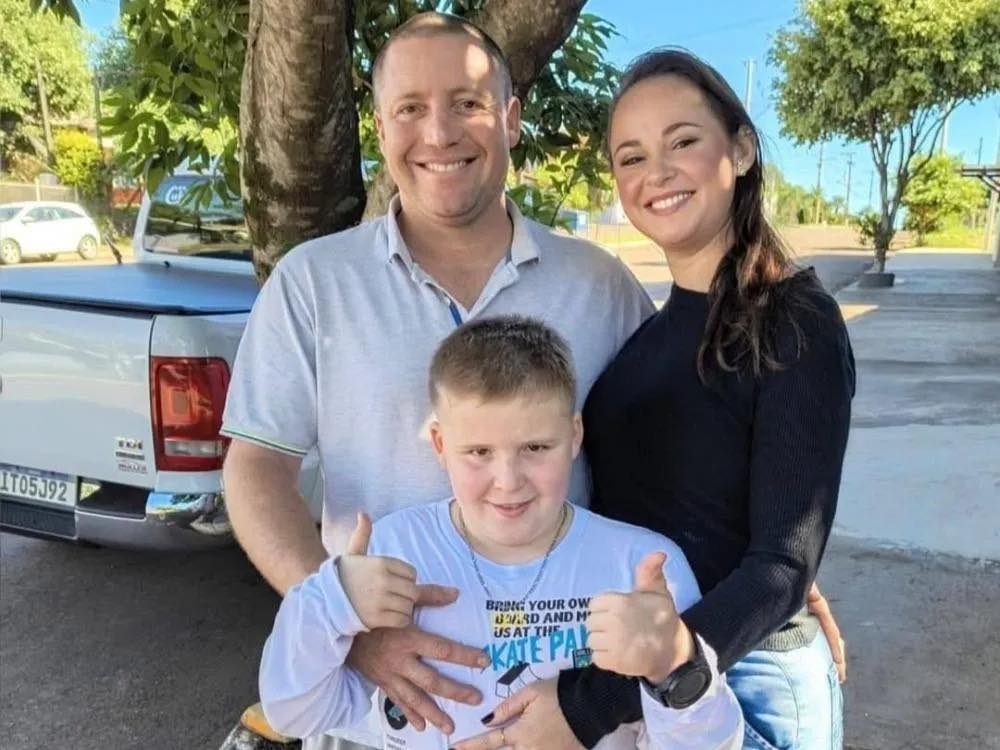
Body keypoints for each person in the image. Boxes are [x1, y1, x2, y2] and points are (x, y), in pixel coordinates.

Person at [220, 12, 652, 750]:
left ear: (510, 119)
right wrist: (344, 623)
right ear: (380, 126)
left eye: (467, 103)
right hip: (372, 716)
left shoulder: (599, 285)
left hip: (554, 705)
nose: (439, 133)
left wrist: (776, 561)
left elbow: (675, 449)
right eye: (410, 108)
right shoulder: (312, 282)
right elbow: (255, 470)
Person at [549, 49, 855, 750]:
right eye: (631, 157)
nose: (655, 172)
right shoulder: (652, 326)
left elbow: (782, 565)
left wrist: (592, 706)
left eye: (682, 141)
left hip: (741, 680)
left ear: (741, 149)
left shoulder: (794, 320)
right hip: (652, 672)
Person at [258, 317, 744, 749]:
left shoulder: (642, 568)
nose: (508, 481)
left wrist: (674, 664)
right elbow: (294, 712)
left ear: (574, 435)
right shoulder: (395, 552)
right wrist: (331, 601)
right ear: (440, 444)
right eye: (478, 452)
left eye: (535, 447)